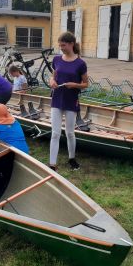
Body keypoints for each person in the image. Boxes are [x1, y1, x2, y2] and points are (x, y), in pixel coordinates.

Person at [48, 32, 88, 171]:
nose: (61, 47)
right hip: (57, 99)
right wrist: (52, 81)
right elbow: (53, 77)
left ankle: (72, 159)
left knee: (70, 133)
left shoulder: (80, 63)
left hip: (71, 101)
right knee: (55, 133)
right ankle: (52, 164)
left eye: (63, 45)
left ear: (71, 44)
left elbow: (85, 84)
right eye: (59, 45)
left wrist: (75, 85)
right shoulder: (57, 59)